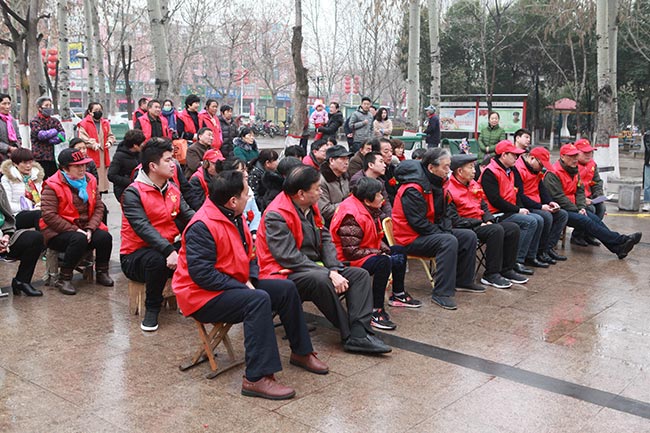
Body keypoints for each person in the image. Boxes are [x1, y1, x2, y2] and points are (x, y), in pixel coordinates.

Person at [173, 170, 328, 400]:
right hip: (200, 295)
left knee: (285, 288)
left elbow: (251, 256)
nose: (250, 197)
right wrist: (243, 286)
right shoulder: (202, 225)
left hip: (233, 282)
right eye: (247, 194)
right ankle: (256, 377)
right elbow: (202, 275)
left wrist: (251, 279)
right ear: (233, 200)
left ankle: (301, 352)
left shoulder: (234, 215)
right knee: (257, 300)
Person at [256, 165, 391, 354]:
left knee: (359, 275)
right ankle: (349, 334)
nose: (321, 192)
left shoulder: (309, 206)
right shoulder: (276, 214)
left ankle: (360, 332)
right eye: (317, 188)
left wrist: (333, 267)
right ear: (301, 194)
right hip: (282, 272)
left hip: (312, 266)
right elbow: (288, 256)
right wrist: (328, 272)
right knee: (321, 280)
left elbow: (325, 237)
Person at [120, 138, 195, 331]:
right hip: (136, 255)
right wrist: (169, 250)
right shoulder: (133, 193)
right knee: (156, 260)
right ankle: (152, 309)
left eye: (173, 160)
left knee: (197, 247)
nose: (173, 165)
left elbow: (189, 215)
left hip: (167, 249)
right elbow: (143, 227)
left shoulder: (172, 189)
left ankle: (194, 299)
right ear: (153, 166)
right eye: (168, 160)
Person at [392, 151, 482, 310]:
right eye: (445, 166)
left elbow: (444, 214)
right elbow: (418, 223)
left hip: (428, 232)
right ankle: (441, 293)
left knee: (468, 236)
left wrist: (446, 229)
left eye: (449, 166)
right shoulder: (413, 188)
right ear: (431, 168)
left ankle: (463, 281)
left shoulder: (439, 182)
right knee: (448, 240)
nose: (449, 170)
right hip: (410, 237)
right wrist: (443, 233)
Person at [331, 177, 421, 330]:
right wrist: (380, 253)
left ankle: (398, 294)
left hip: (364, 251)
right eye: (379, 194)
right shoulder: (351, 215)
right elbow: (351, 251)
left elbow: (375, 237)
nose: (382, 198)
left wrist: (385, 250)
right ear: (367, 200)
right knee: (382, 262)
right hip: (346, 259)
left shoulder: (368, 208)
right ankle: (375, 310)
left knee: (398, 251)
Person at [544, 143, 642, 259]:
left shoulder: (574, 170)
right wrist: (577, 209)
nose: (575, 159)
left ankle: (618, 248)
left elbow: (580, 191)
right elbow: (558, 197)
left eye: (576, 155)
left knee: (595, 219)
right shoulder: (553, 173)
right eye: (571, 156)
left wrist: (581, 207)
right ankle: (622, 240)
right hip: (561, 209)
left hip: (574, 207)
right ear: (562, 157)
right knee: (586, 220)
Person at [446, 154, 527, 289]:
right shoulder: (449, 189)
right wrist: (478, 223)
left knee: (512, 228)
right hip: (465, 226)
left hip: (481, 222)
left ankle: (507, 269)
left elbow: (483, 205)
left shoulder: (473, 184)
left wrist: (488, 219)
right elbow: (454, 219)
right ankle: (491, 274)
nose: (474, 171)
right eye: (471, 167)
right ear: (459, 171)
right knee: (495, 230)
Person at [39, 148, 114, 294]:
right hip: (58, 231)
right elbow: (49, 215)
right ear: (65, 168)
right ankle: (65, 278)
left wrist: (90, 228)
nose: (82, 169)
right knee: (78, 239)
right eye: (77, 166)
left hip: (85, 227)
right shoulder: (52, 185)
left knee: (104, 237)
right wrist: (76, 230)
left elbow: (99, 207)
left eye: (84, 165)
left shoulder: (90, 179)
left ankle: (102, 272)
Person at [480, 140, 544, 275]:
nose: (517, 158)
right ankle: (516, 261)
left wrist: (520, 208)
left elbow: (517, 193)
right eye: (514, 155)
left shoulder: (511, 170)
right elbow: (495, 200)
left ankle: (530, 256)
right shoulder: (490, 172)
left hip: (508, 210)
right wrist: (517, 210)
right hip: (495, 213)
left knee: (539, 219)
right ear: (504, 155)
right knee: (530, 221)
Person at [514, 146, 569, 263]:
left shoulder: (535, 170)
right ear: (532, 158)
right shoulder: (518, 169)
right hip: (525, 205)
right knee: (545, 216)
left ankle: (547, 249)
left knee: (562, 214)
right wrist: (540, 206)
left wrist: (550, 202)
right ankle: (535, 253)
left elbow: (542, 189)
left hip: (536, 203)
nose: (542, 168)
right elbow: (520, 196)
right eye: (541, 165)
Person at [0, 182, 44, 297]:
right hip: (20, 211)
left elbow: (8, 216)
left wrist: (7, 234)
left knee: (35, 238)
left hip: (2, 235)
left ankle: (22, 281)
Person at [1, 148, 44, 230]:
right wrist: (25, 207)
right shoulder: (7, 179)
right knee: (38, 214)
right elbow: (6, 205)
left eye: (30, 162)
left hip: (37, 209)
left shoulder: (36, 176)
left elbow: (42, 197)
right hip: (16, 214)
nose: (28, 166)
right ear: (15, 164)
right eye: (24, 163)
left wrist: (39, 205)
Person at [77, 102, 116, 193]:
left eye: (100, 110)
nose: (98, 112)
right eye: (96, 110)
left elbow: (110, 135)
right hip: (90, 154)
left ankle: (100, 193)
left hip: (103, 154)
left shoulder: (105, 123)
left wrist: (109, 142)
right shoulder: (84, 123)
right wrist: (93, 143)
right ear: (90, 112)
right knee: (92, 177)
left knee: (102, 180)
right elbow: (82, 138)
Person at [575, 138, 605, 246]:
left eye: (590, 152)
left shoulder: (592, 164)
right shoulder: (572, 165)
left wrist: (598, 195)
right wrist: (583, 199)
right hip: (576, 198)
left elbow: (596, 182)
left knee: (601, 207)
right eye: (585, 152)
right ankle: (577, 235)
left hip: (589, 196)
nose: (589, 155)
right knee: (590, 209)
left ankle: (589, 235)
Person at [30, 96, 65, 179]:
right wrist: (54, 131)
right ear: (39, 108)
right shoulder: (35, 121)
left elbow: (62, 135)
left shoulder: (54, 121)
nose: (49, 108)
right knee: (41, 179)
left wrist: (52, 138)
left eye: (50, 105)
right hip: (40, 157)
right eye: (46, 105)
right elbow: (41, 135)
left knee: (55, 179)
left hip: (53, 157)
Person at [349, 151, 392, 220]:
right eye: (381, 162)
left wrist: (389, 217)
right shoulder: (358, 181)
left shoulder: (379, 181)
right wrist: (385, 218)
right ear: (371, 165)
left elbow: (385, 201)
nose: (384, 165)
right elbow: (364, 205)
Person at [107, 129, 146, 202]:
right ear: (135, 145)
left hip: (140, 187)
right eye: (142, 143)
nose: (143, 145)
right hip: (124, 190)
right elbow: (111, 175)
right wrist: (130, 181)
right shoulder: (119, 156)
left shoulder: (141, 153)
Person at [319, 145, 352, 225]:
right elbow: (325, 211)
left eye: (347, 159)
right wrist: (348, 204)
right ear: (331, 160)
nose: (346, 162)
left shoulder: (344, 176)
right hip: (329, 223)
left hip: (344, 218)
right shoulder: (321, 181)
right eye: (342, 159)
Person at [0, 93, 21, 162]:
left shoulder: (12, 120)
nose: (7, 106)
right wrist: (8, 148)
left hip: (13, 156)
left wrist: (17, 147)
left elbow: (18, 137)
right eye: (4, 104)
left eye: (9, 103)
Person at [644, 131, 650, 212]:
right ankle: (647, 203)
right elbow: (648, 148)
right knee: (647, 184)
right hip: (649, 162)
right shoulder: (648, 135)